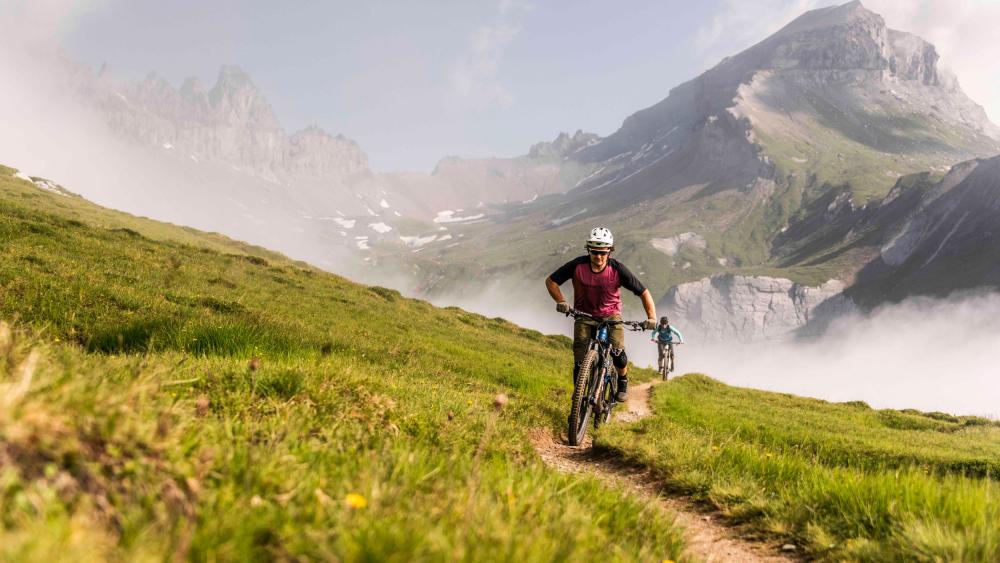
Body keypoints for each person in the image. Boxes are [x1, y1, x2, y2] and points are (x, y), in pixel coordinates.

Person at [545, 227, 657, 402]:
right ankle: (579, 394)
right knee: (579, 357)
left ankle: (622, 381)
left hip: (611, 316)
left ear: (609, 251)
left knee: (618, 353)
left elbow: (643, 292)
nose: (598, 256)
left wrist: (652, 317)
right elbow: (551, 282)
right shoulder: (577, 265)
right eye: (594, 252)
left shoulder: (617, 269)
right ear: (588, 250)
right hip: (583, 315)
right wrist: (561, 301)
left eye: (603, 252)